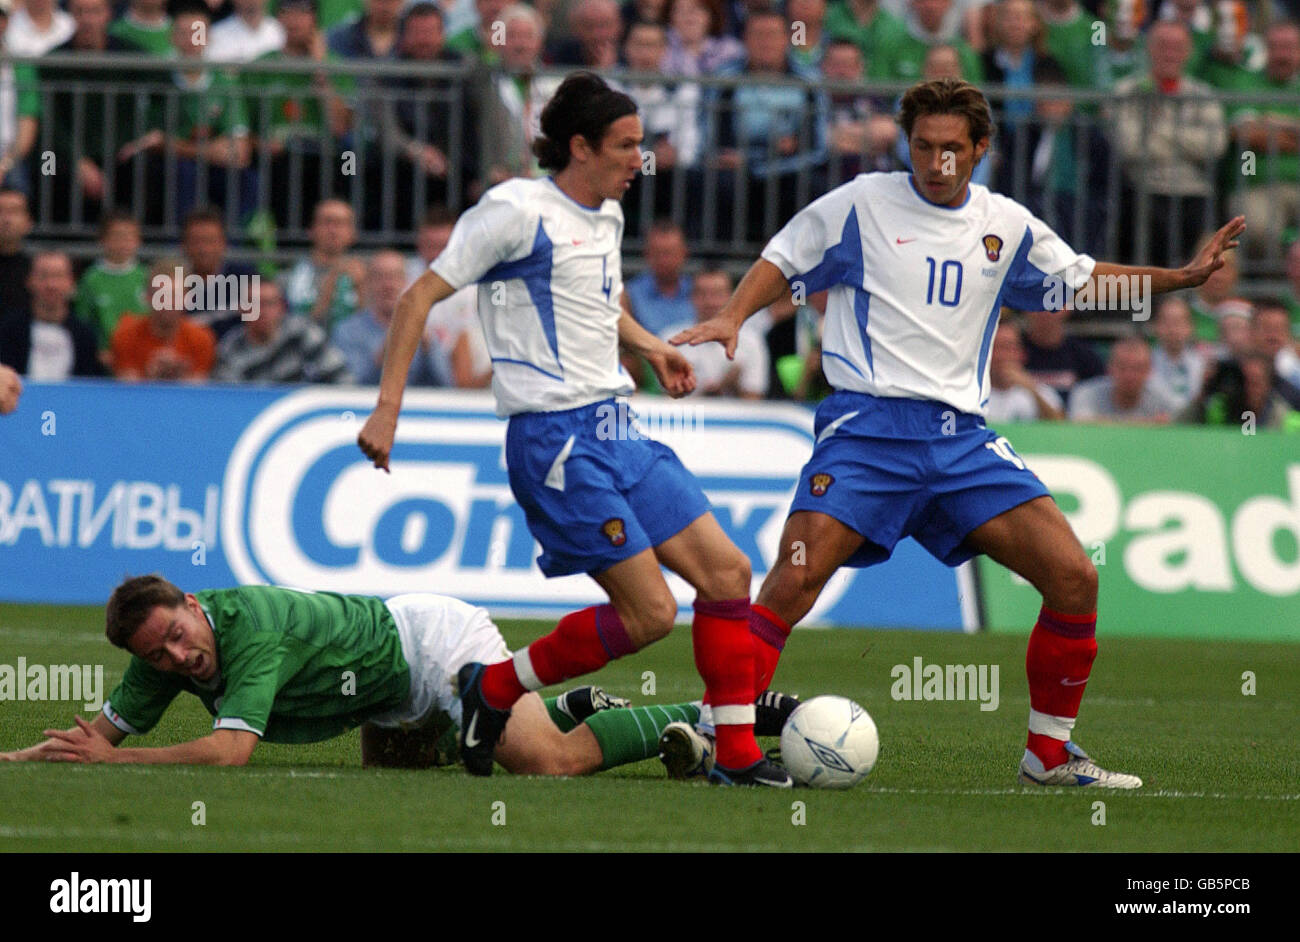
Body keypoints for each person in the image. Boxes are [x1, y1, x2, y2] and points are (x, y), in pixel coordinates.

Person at [672, 77, 1246, 789]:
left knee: (1073, 576)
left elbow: (1081, 282)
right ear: (906, 143)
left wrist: (1180, 278)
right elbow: (784, 259)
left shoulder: (1006, 225)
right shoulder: (860, 205)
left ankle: (1048, 754)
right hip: (868, 431)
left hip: (961, 442)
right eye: (923, 146)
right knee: (793, 578)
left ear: (980, 148)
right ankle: (718, 732)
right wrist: (734, 316)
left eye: (952, 149)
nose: (936, 163)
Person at [357, 72, 789, 787]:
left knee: (728, 573)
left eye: (641, 145)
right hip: (555, 441)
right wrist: (387, 409)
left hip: (619, 425)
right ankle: (496, 687)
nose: (638, 160)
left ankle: (736, 755)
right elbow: (418, 298)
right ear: (580, 146)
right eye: (625, 146)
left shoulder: (609, 217)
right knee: (649, 614)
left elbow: (596, 302)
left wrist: (650, 346)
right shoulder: (514, 211)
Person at [0, 574, 759, 776]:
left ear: (194, 606)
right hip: (385, 697)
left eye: (175, 636)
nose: (176, 659)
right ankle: (568, 704)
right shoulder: (161, 648)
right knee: (419, 773)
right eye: (158, 656)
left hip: (432, 646)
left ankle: (698, 717)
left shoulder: (252, 629)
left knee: (545, 766)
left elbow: (231, 755)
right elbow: (95, 736)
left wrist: (119, 761)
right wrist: (29, 758)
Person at [213, 279, 353, 384]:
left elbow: (342, 376)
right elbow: (229, 399)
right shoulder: (230, 348)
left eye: (269, 303)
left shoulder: (302, 334)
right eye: (254, 303)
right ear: (242, 309)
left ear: (281, 308)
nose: (262, 311)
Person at [1067, 335, 1181, 423]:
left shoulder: (1161, 397)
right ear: (1110, 368)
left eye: (1137, 368)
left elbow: (1181, 420)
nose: (1130, 375)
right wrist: (1150, 424)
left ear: (1149, 371)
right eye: (1122, 367)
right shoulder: (1086, 393)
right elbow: (1080, 422)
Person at [985, 318, 1065, 422]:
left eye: (1009, 347)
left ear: (1021, 354)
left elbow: (1061, 426)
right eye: (996, 348)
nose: (1002, 356)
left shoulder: (1041, 391)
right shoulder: (971, 392)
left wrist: (1031, 390)